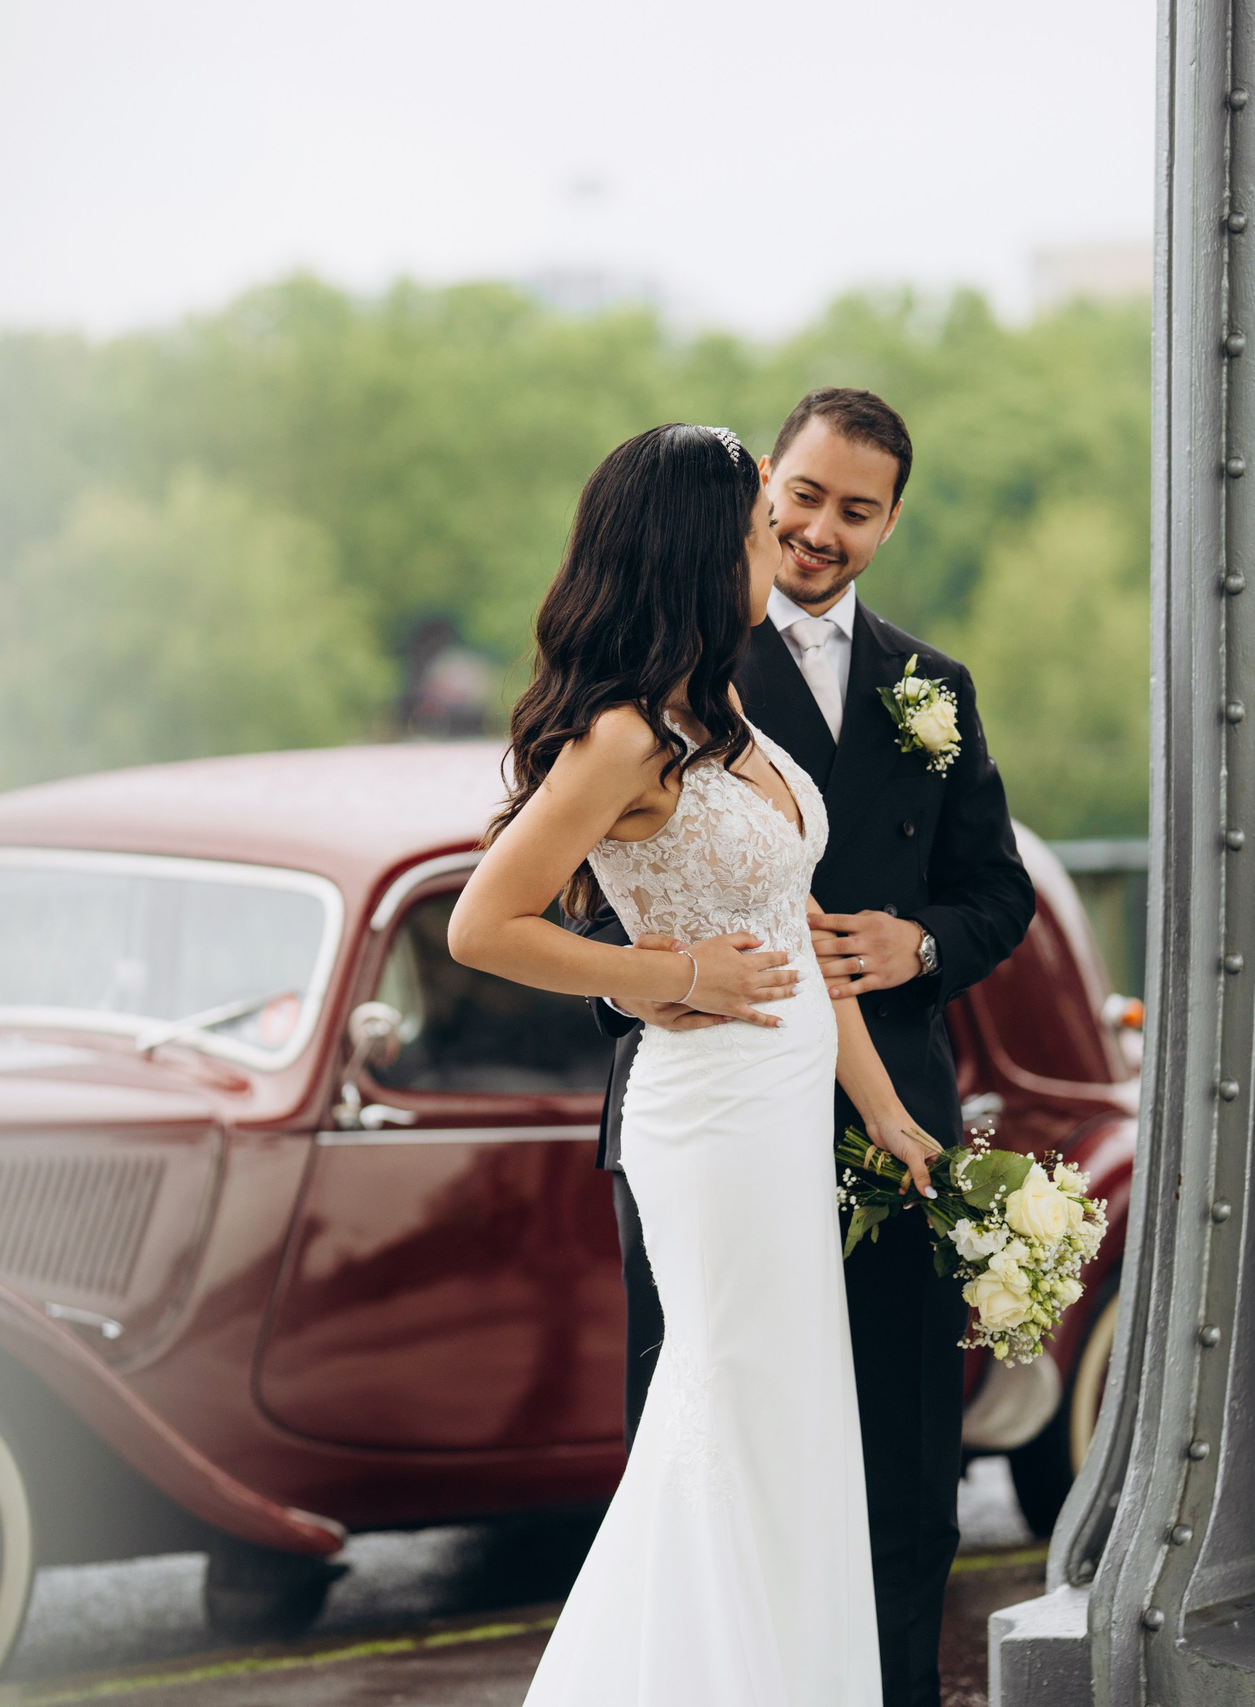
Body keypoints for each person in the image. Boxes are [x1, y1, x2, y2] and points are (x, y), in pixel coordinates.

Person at [448, 420, 944, 1705]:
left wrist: (882, 1110)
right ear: (689, 551)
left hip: (786, 1117)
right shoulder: (617, 739)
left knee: (789, 1426)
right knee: (725, 1414)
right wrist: (671, 977)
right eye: (748, 533)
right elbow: (482, 925)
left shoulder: (711, 712)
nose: (770, 550)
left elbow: (791, 938)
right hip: (710, 1121)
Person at [585, 388, 1035, 1707]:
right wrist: (662, 990)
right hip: (722, 1115)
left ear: (893, 521)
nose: (819, 530)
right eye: (802, 496)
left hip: (886, 1105)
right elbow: (575, 896)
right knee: (712, 1438)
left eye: (856, 509)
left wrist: (922, 944)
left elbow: (995, 888)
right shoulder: (670, 668)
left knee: (902, 1459)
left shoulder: (930, 686)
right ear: (763, 485)